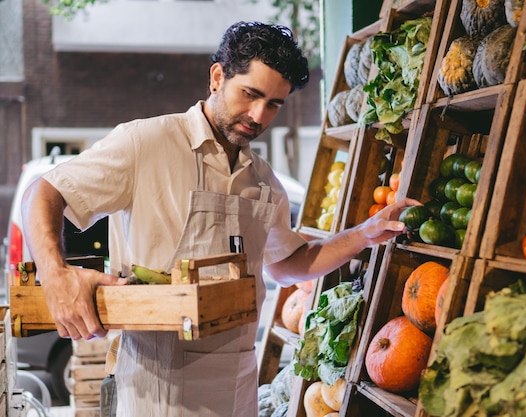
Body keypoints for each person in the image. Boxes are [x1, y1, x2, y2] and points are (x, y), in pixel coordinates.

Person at [20, 21, 418, 417]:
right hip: (156, 394)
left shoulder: (263, 180)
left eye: (274, 104)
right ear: (217, 77)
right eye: (251, 94)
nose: (259, 115)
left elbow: (287, 263)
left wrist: (364, 234)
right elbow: (43, 191)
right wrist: (55, 275)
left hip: (237, 389)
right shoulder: (146, 143)